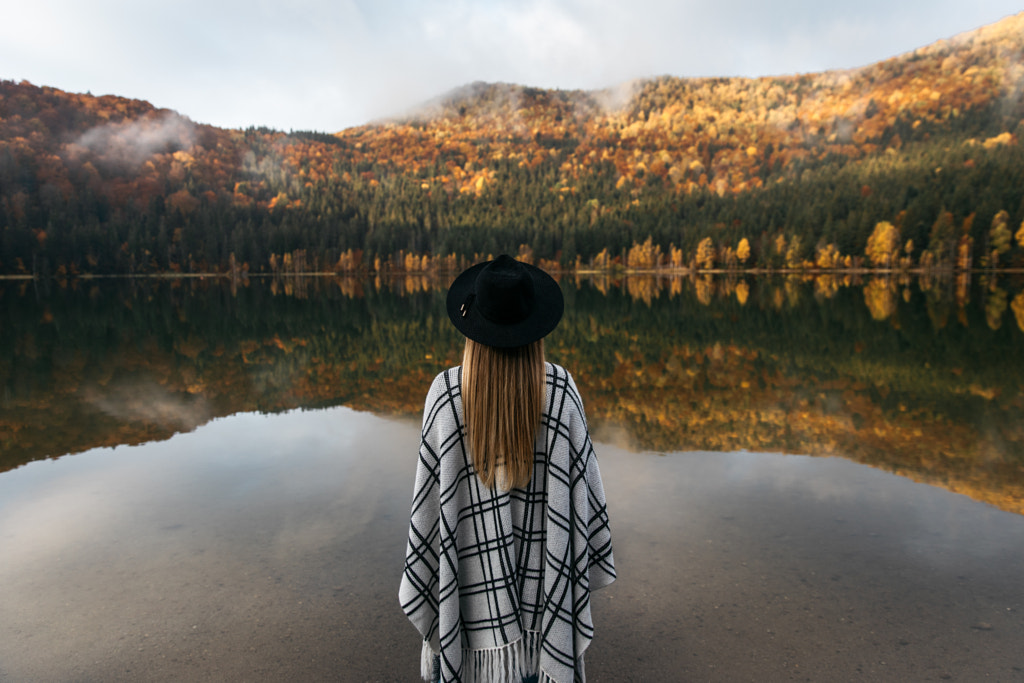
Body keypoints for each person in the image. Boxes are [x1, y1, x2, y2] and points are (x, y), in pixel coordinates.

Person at [399, 254, 616, 683]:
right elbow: (586, 509)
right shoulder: (561, 393)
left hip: (468, 636)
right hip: (544, 626)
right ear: (535, 326)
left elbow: (427, 522)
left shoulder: (444, 396)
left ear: (472, 325)